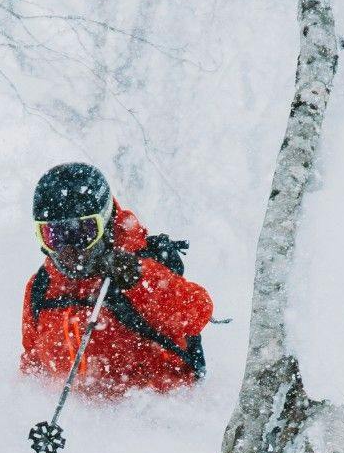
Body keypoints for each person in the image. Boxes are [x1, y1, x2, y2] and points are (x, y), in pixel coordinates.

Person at [20, 162, 214, 396]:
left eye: (83, 233)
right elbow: (33, 367)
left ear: (105, 223)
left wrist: (139, 279)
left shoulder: (138, 268)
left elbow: (198, 311)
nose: (69, 250)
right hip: (78, 423)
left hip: (156, 417)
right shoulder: (42, 287)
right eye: (54, 236)